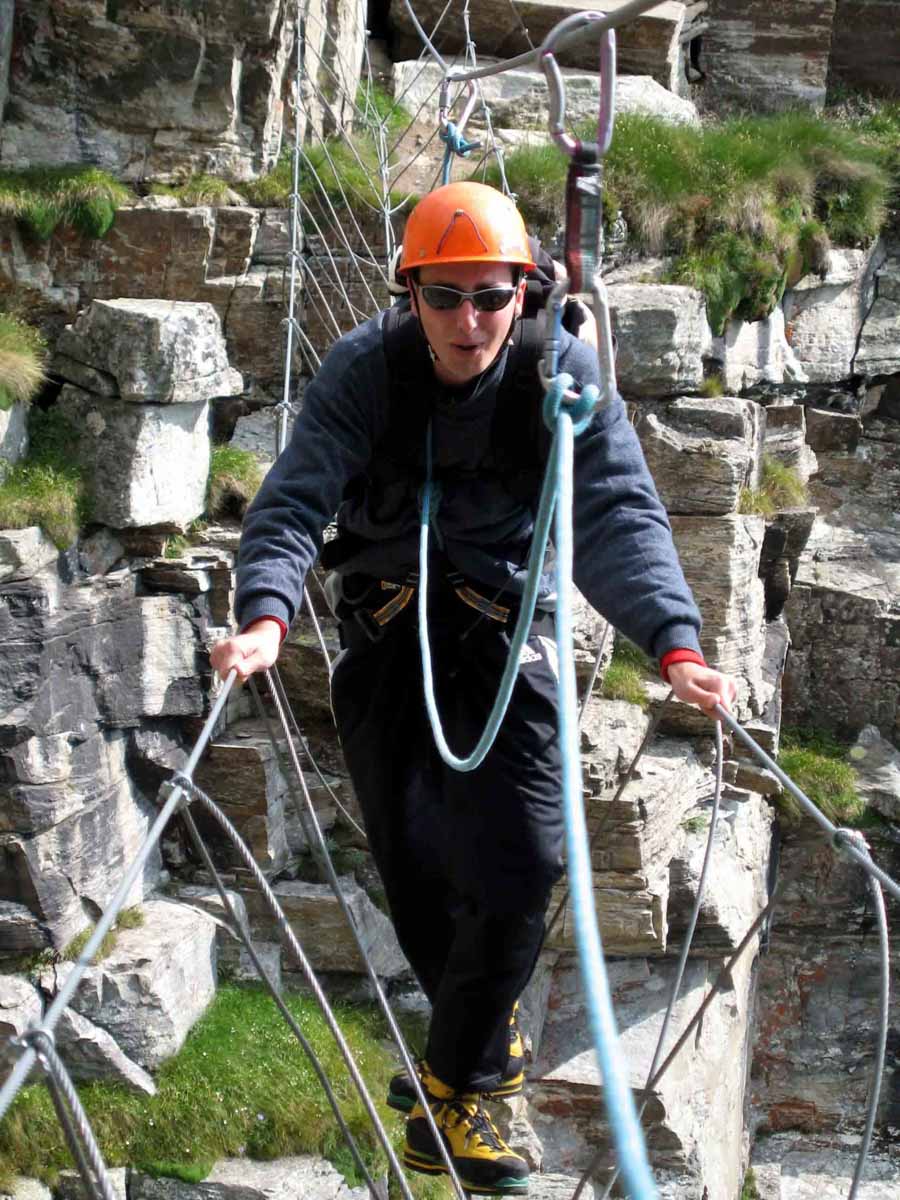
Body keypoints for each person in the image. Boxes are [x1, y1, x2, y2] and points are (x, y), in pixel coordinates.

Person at [211, 181, 736, 1196]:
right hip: (386, 628)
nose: (468, 321)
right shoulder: (364, 372)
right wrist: (267, 616)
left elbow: (617, 514)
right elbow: (294, 503)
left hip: (507, 630)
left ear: (524, 292)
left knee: (529, 857)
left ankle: (455, 1088)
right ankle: (476, 1068)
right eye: (443, 297)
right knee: (413, 870)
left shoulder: (560, 374)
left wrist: (674, 643)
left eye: (490, 298)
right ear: (410, 293)